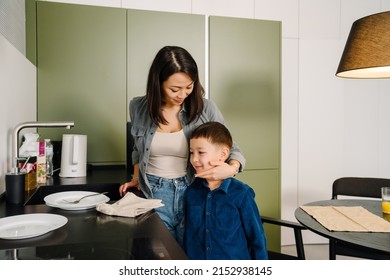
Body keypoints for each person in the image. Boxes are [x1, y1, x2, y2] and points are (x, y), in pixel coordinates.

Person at [119, 46, 246, 247]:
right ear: (157, 83)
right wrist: (136, 177)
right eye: (175, 89)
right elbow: (137, 149)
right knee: (160, 256)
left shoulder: (206, 109)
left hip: (193, 191)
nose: (183, 94)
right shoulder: (138, 107)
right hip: (153, 193)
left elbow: (233, 148)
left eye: (189, 86)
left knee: (191, 254)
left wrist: (231, 168)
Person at [184, 122, 268, 260]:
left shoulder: (242, 194)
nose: (194, 159)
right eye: (192, 152)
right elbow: (188, 236)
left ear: (223, 154)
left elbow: (257, 239)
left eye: (201, 152)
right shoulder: (191, 192)